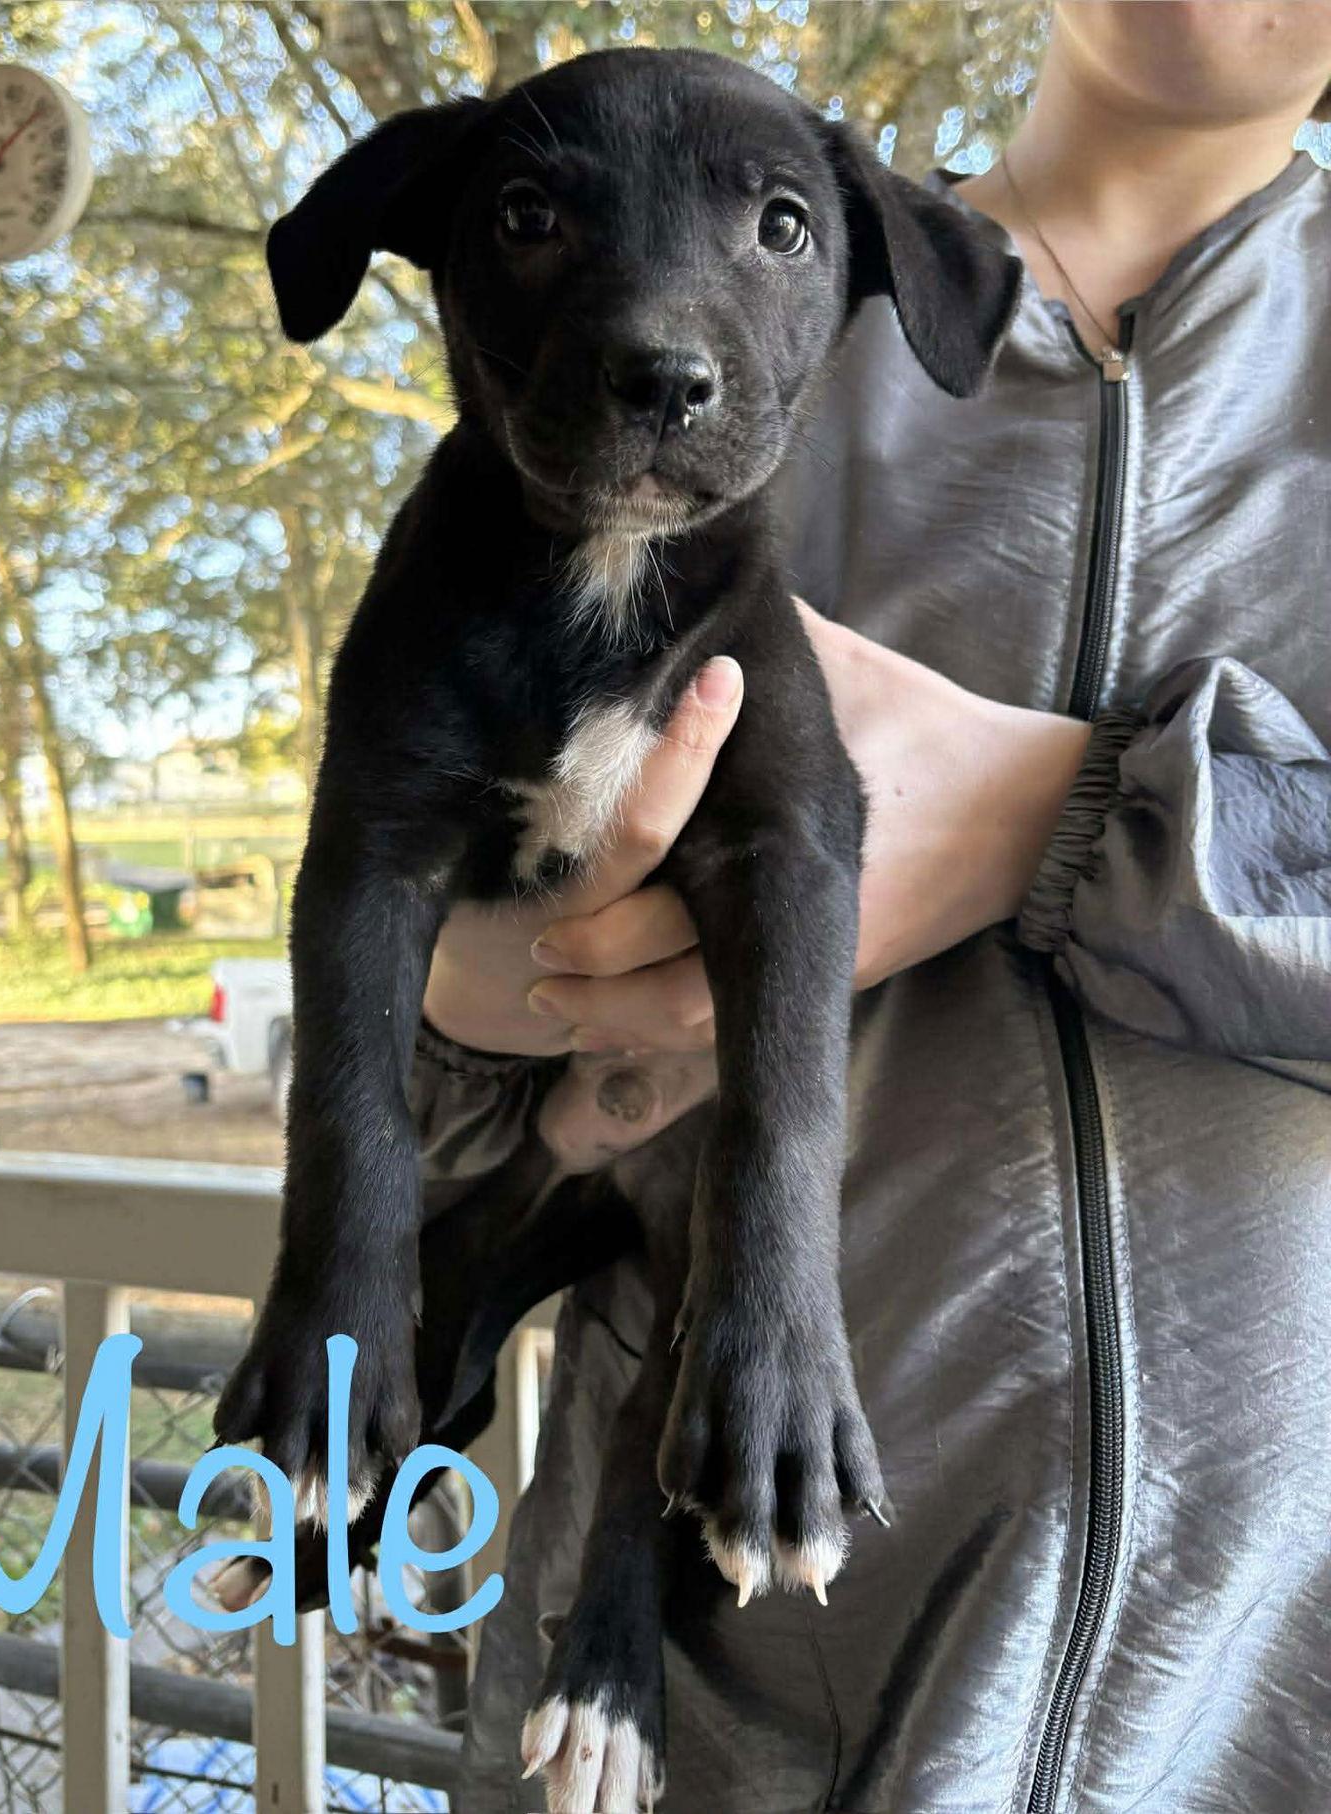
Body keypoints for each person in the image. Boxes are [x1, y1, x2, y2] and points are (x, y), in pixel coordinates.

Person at [409, 5, 1331, 1810]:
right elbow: (435, 1033)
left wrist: (1048, 814)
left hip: (1276, 1688)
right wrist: (476, 995)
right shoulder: (696, 314)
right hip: (691, 1683)